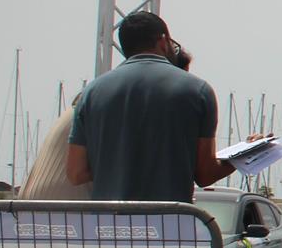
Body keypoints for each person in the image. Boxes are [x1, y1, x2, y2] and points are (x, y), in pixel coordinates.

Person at [67, 12, 239, 202]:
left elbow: (76, 173)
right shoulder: (198, 90)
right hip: (169, 221)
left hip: (109, 223)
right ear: (163, 41)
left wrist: (120, 162)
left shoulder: (91, 92)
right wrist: (242, 158)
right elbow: (205, 174)